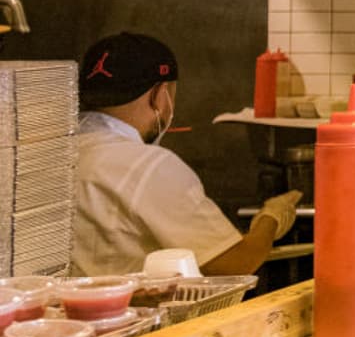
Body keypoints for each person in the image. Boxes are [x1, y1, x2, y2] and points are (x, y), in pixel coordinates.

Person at [72, 32, 300, 276]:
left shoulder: (56, 150)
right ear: (160, 95)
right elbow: (235, 263)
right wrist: (270, 219)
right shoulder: (148, 165)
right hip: (127, 301)